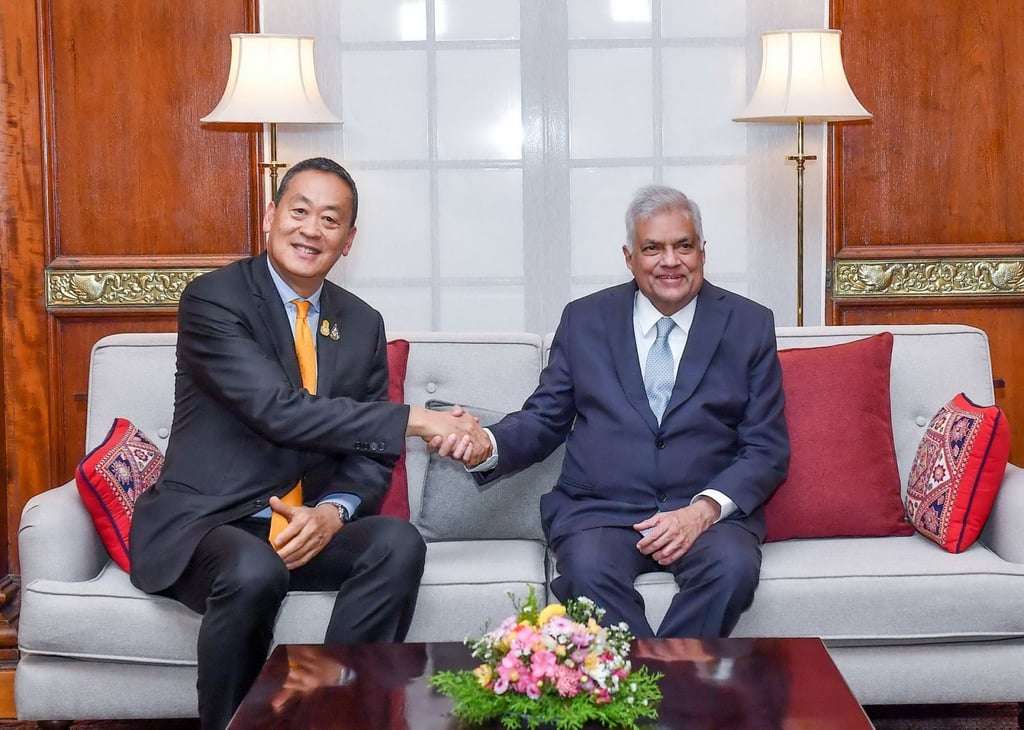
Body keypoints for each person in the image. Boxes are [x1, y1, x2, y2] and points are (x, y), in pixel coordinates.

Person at [129, 157, 487, 730]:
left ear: (348, 241)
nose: (311, 230)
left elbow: (370, 457)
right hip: (211, 523)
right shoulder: (214, 300)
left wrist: (332, 512)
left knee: (395, 543)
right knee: (254, 570)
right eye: (299, 211)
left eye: (330, 220)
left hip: (302, 526)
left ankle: (333, 715)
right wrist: (415, 419)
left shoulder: (361, 322)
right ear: (271, 216)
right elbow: (278, 411)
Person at [445, 184, 790, 639]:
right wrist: (486, 444)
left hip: (702, 511)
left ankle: (644, 698)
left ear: (702, 253)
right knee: (586, 576)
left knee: (731, 570)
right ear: (629, 257)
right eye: (653, 248)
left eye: (683, 245)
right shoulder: (585, 319)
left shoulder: (749, 323)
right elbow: (546, 418)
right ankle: (668, 698)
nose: (670, 260)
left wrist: (703, 511)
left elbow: (766, 447)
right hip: (600, 510)